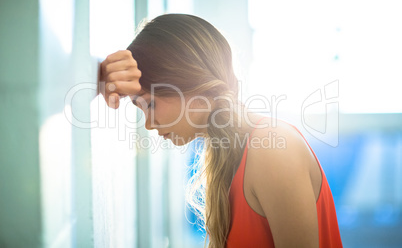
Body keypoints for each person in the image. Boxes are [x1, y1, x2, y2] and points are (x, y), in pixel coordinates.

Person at [99, 14, 343, 248]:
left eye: (150, 104)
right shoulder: (229, 155)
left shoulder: (273, 148)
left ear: (190, 82)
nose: (149, 124)